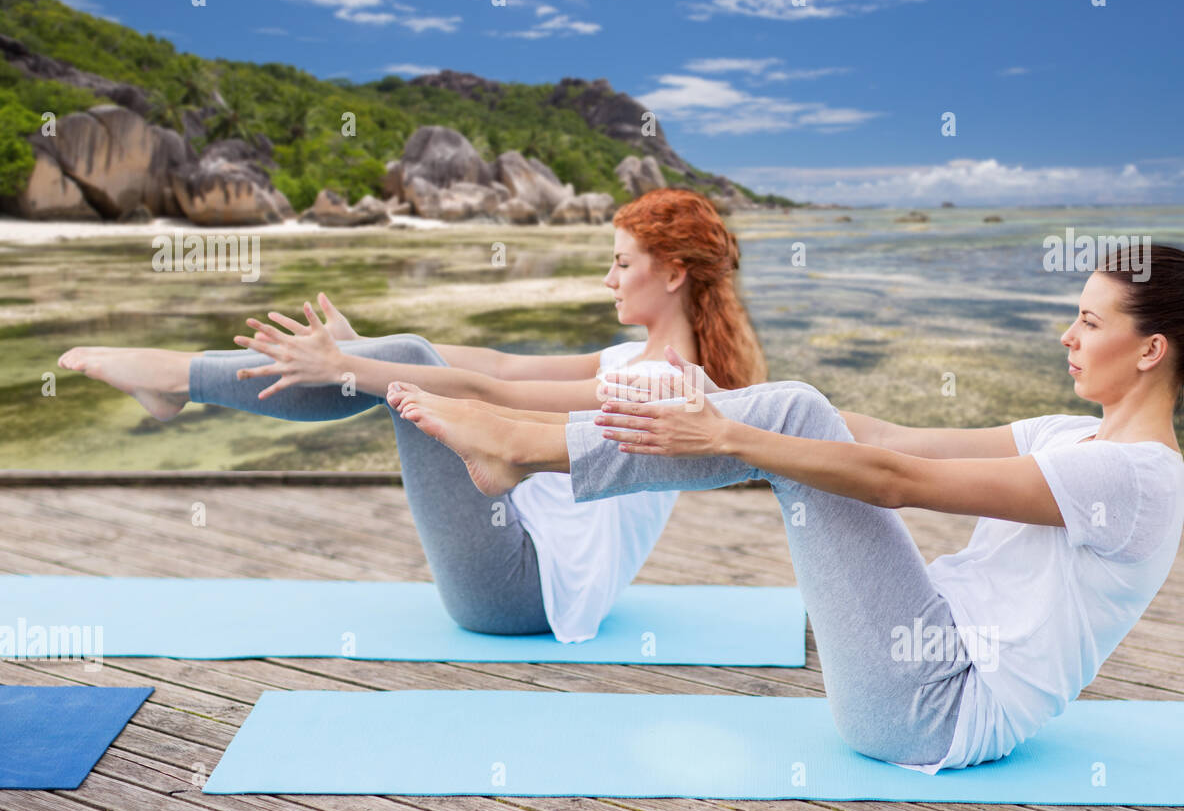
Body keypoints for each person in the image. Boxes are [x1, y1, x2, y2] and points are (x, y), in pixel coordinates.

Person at [387, 245, 1184, 771]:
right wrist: (728, 402)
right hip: (918, 667)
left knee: (793, 417)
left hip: (937, 708)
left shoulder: (1136, 479)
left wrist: (734, 439)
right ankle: (520, 443)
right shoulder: (1074, 437)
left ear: (1150, 350)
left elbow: (895, 483)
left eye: (1088, 323)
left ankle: (522, 446)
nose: (1066, 337)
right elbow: (895, 437)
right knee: (799, 409)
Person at [57, 188, 766, 642]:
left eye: (621, 264)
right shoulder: (634, 359)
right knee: (399, 356)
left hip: (518, 593)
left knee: (394, 365)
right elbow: (502, 366)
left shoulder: (666, 383)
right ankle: (180, 382)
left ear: (673, 272)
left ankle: (177, 380)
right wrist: (363, 352)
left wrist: (353, 365)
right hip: (524, 564)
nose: (606, 280)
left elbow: (492, 399)